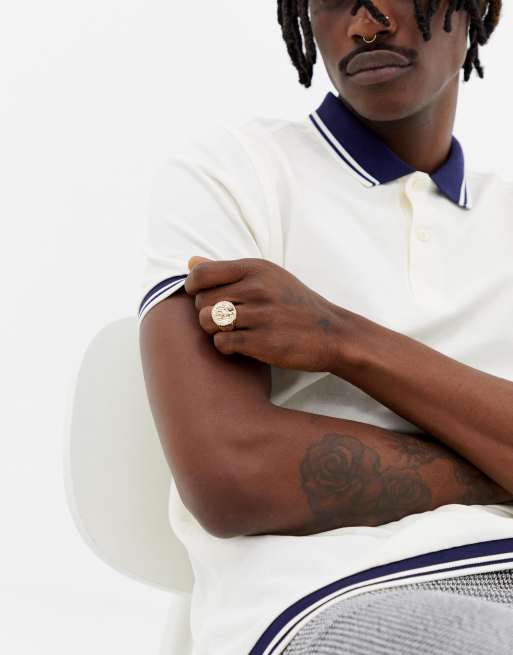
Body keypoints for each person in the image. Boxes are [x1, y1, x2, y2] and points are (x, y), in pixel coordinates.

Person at [137, 1, 513, 654]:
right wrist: (496, 459)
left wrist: (341, 338)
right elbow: (232, 474)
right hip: (334, 595)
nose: (365, 23)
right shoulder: (234, 173)